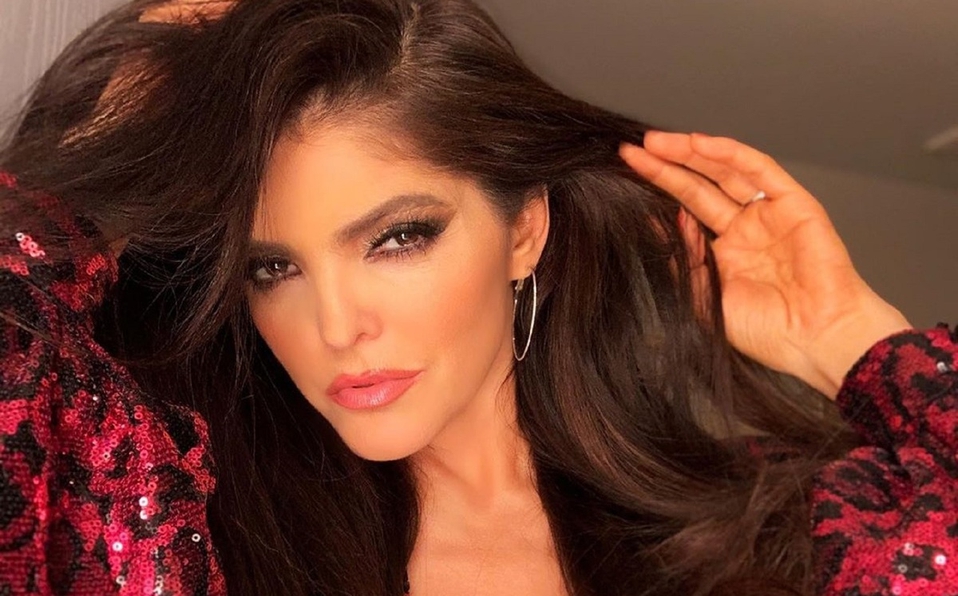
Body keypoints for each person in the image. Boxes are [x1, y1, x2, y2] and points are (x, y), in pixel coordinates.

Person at [0, 1, 954, 595]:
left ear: (524, 229)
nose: (337, 327)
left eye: (398, 237)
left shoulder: (774, 531)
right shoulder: (184, 529)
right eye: (273, 269)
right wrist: (92, 154)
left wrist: (849, 336)